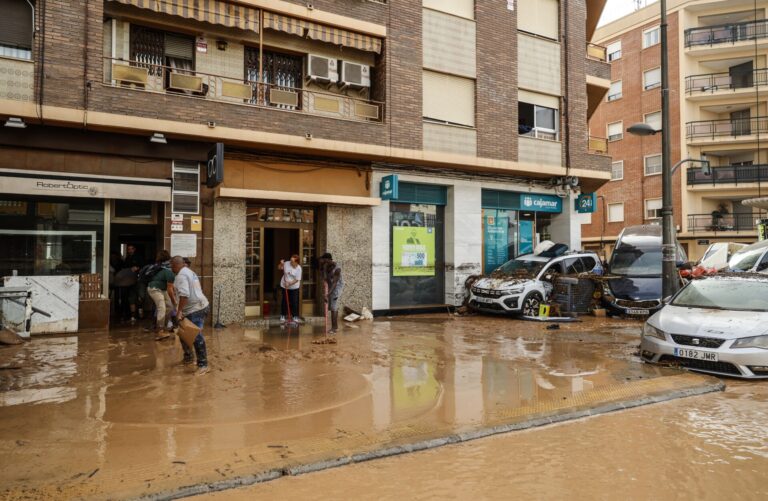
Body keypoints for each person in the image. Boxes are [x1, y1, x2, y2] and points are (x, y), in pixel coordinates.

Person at [170, 256, 209, 376]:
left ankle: (203, 365)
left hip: (195, 309)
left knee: (196, 336)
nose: (171, 268)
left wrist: (179, 311)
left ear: (176, 265)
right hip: (199, 306)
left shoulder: (181, 275)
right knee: (184, 334)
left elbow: (184, 295)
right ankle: (188, 358)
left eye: (171, 266)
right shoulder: (188, 271)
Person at [145, 250, 175, 341]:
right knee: (162, 307)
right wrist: (175, 302)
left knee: (169, 306)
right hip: (155, 289)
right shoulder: (169, 271)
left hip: (161, 289)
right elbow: (170, 290)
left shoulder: (159, 266)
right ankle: (160, 330)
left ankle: (163, 326)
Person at [319, 253, 344, 334]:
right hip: (329, 286)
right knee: (331, 307)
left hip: (336, 288)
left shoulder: (337, 269)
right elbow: (324, 277)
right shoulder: (326, 265)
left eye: (324, 259)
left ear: (329, 259)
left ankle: (334, 328)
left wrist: (327, 294)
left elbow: (335, 283)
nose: (323, 261)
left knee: (333, 307)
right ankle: (334, 327)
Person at [123, 244, 144, 324]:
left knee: (141, 297)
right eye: (128, 249)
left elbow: (143, 267)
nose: (130, 250)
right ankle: (133, 316)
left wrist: (137, 268)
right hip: (130, 281)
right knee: (131, 298)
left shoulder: (139, 257)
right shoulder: (127, 258)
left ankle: (141, 314)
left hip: (139, 280)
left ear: (134, 249)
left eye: (131, 249)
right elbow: (124, 268)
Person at [279, 254, 302, 323]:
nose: (290, 262)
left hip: (294, 287)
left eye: (292, 261)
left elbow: (297, 279)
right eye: (290, 260)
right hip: (284, 285)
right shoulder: (286, 263)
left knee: (294, 302)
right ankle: (283, 315)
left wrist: (289, 283)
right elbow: (280, 268)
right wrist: (281, 264)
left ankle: (295, 316)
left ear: (296, 262)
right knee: (284, 301)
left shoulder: (298, 268)